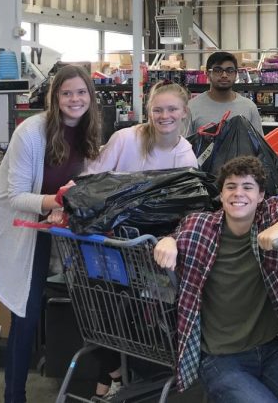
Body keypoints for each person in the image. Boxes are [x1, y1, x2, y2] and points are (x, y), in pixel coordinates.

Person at [0, 65, 103, 403]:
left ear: (90, 95)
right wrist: (59, 200)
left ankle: (15, 398)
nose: (75, 99)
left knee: (26, 323)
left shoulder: (89, 134)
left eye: (81, 92)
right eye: (66, 93)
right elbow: (17, 196)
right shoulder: (32, 132)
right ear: (55, 97)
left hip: (32, 236)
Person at [152, 156, 278, 402]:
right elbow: (176, 235)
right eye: (230, 187)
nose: (238, 194)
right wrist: (168, 240)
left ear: (260, 195)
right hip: (219, 357)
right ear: (221, 195)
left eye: (247, 187)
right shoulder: (199, 226)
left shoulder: (272, 215)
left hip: (271, 347)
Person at [72, 80, 198, 400]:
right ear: (148, 110)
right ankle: (114, 374)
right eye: (158, 109)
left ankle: (112, 379)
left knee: (121, 309)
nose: (164, 115)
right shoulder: (125, 139)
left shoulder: (185, 156)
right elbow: (92, 179)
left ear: (184, 113)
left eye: (171, 109)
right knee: (96, 302)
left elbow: (183, 209)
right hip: (107, 243)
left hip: (147, 252)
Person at [189, 51, 263, 135]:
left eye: (230, 70)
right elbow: (182, 145)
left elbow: (258, 145)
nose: (224, 75)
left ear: (235, 74)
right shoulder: (192, 107)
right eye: (218, 70)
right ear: (208, 74)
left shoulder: (249, 107)